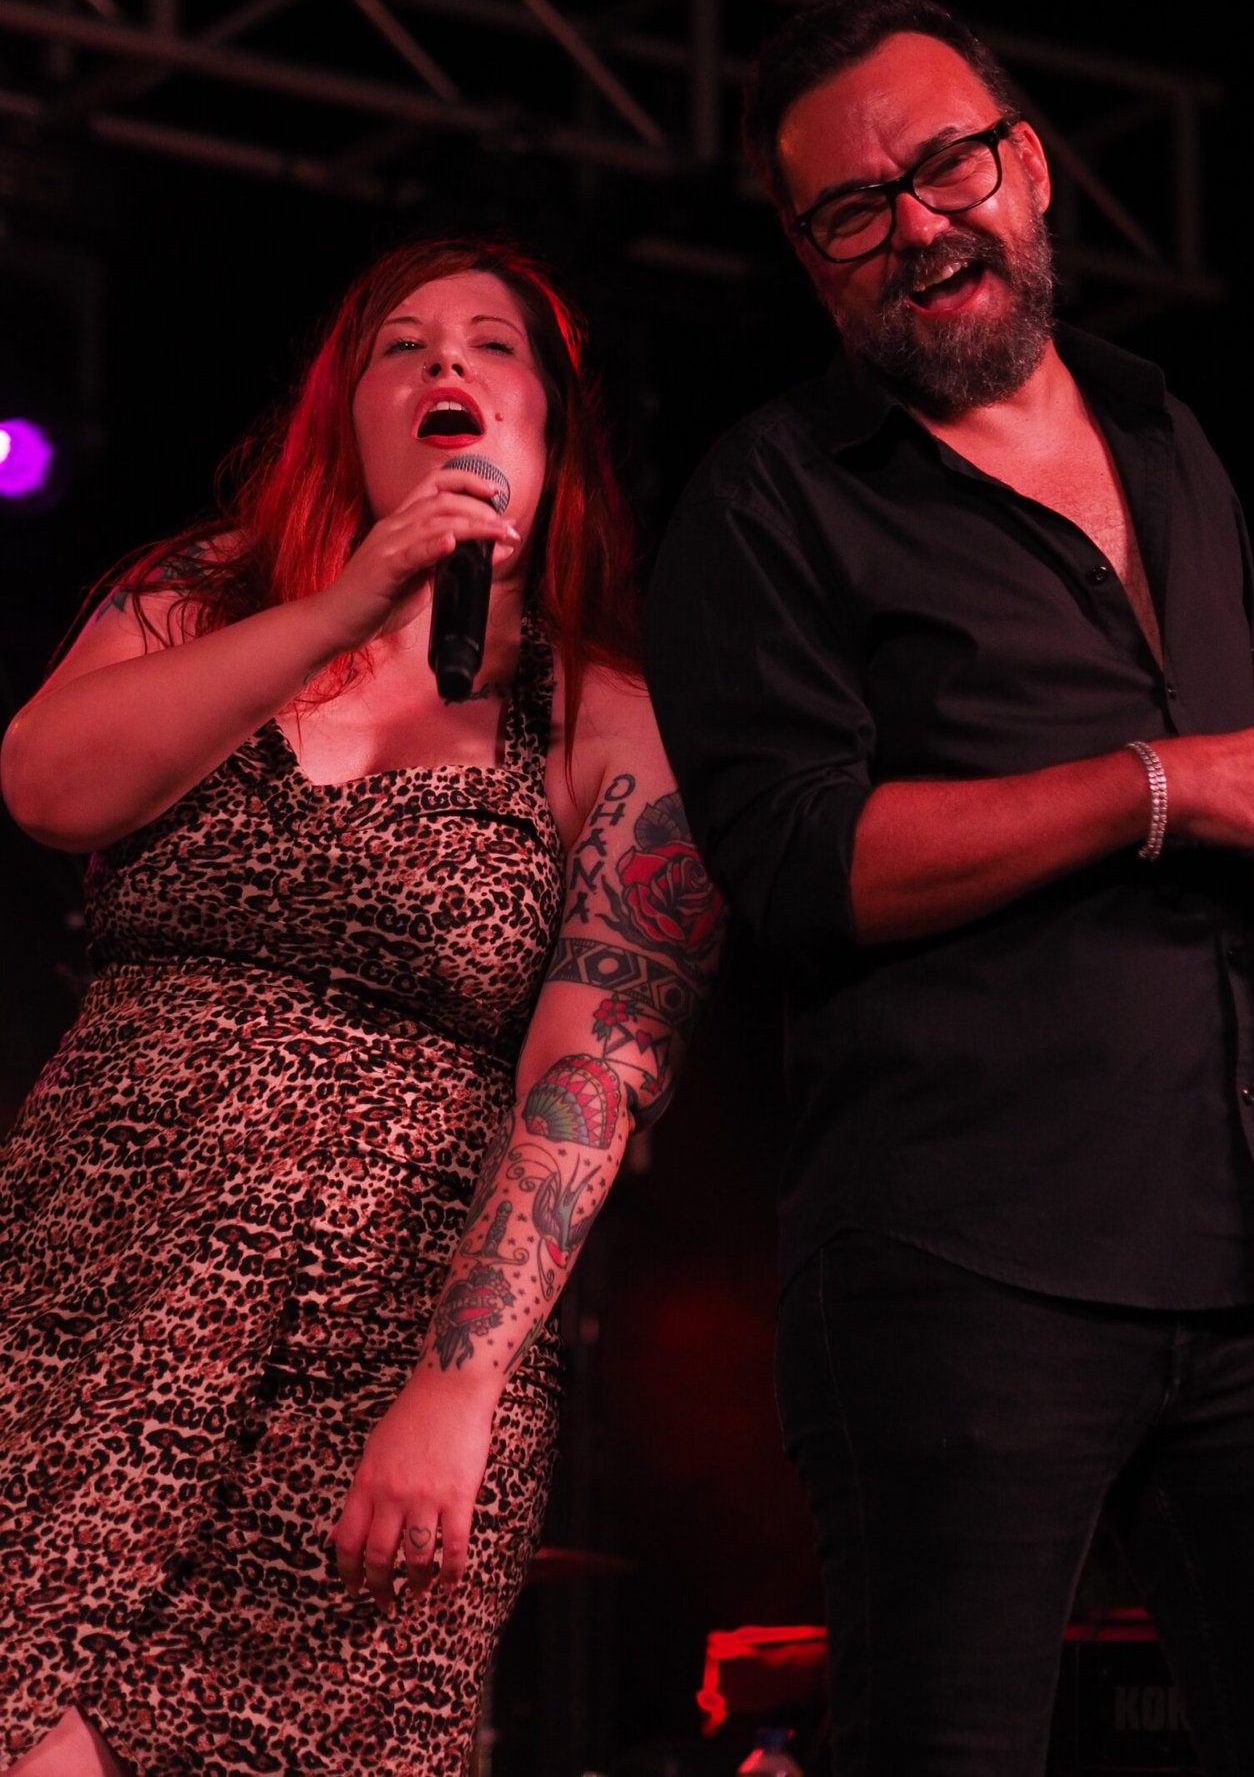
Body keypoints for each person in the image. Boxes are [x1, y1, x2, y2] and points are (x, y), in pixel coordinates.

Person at [643, 0, 1254, 1777]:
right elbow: (796, 860)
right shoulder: (772, 499)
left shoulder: (1169, 436)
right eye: (856, 209)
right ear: (810, 258)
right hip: (963, 1265)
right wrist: (1163, 786)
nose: (919, 224)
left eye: (946, 166)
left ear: (1033, 168)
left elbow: (1232, 781)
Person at [0, 235, 721, 1777]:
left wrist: (458, 1382)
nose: (445, 361)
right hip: (85, 1294)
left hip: (380, 1351)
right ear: (349, 413)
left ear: (553, 426)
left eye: (492, 343)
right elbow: (47, 784)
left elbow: (593, 1070)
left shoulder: (610, 724)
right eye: (403, 344)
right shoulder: (200, 603)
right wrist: (345, 605)